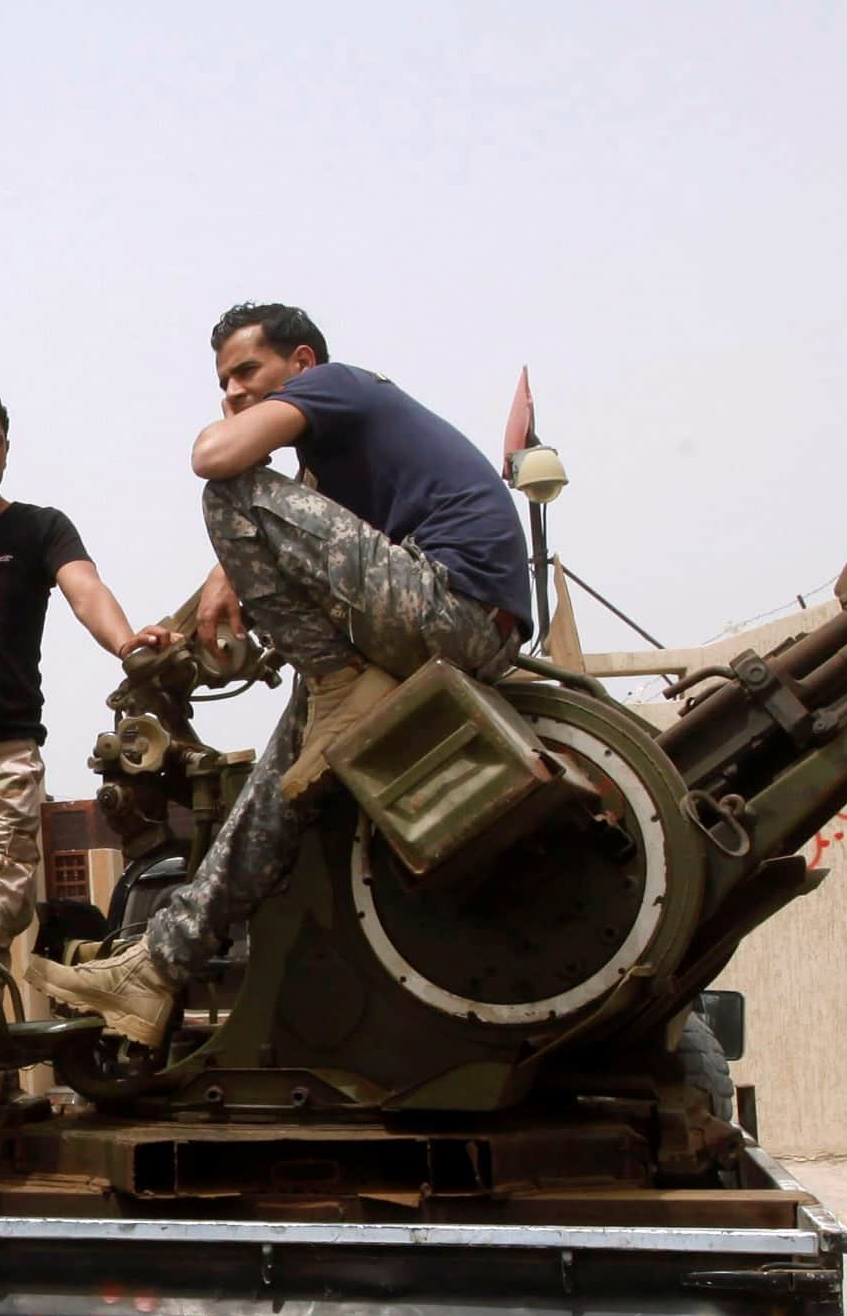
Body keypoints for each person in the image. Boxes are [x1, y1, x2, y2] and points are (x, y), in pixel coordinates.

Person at [36, 303, 532, 1042]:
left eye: (247, 372)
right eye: (223, 382)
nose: (233, 392)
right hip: (441, 622)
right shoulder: (327, 470)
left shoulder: (341, 385)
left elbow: (219, 464)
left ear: (301, 365)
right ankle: (155, 972)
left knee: (227, 491)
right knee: (276, 793)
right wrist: (207, 596)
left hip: (455, 608)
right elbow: (298, 542)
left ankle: (339, 689)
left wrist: (226, 450)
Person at [0, 385, 173, 1163]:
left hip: (2, 761)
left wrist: (129, 646)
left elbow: (83, 586)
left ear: (9, 448)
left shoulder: (37, 528)